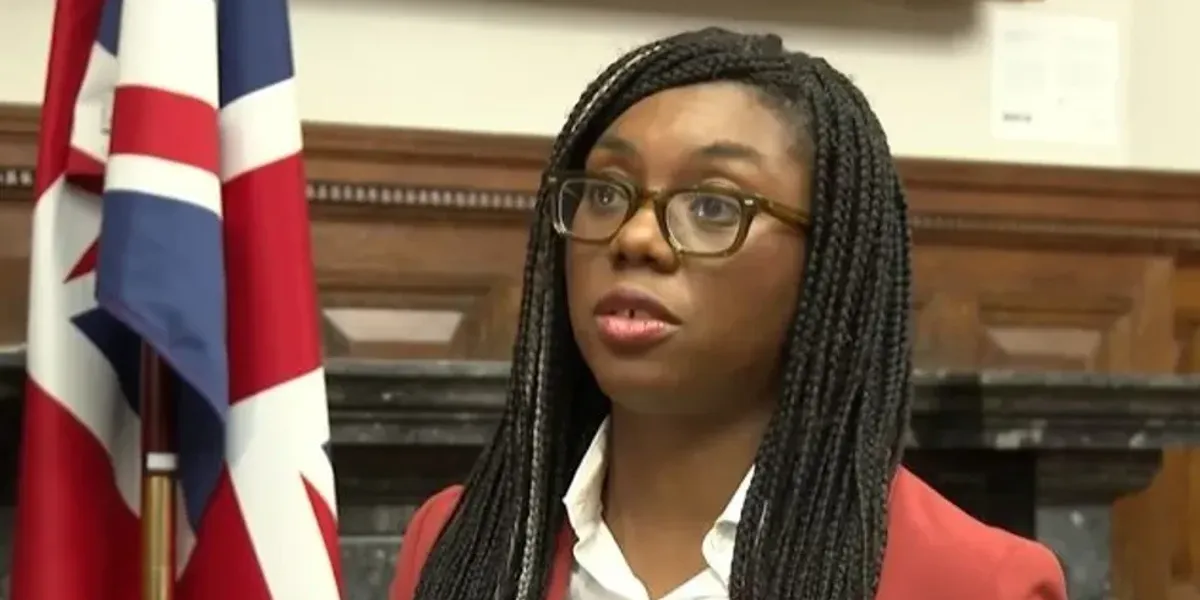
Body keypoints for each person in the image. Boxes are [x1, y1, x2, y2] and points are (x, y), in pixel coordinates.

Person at [388, 28, 1066, 600]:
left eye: (714, 206)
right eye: (606, 193)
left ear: (826, 265)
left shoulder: (975, 582)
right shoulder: (460, 542)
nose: (635, 237)